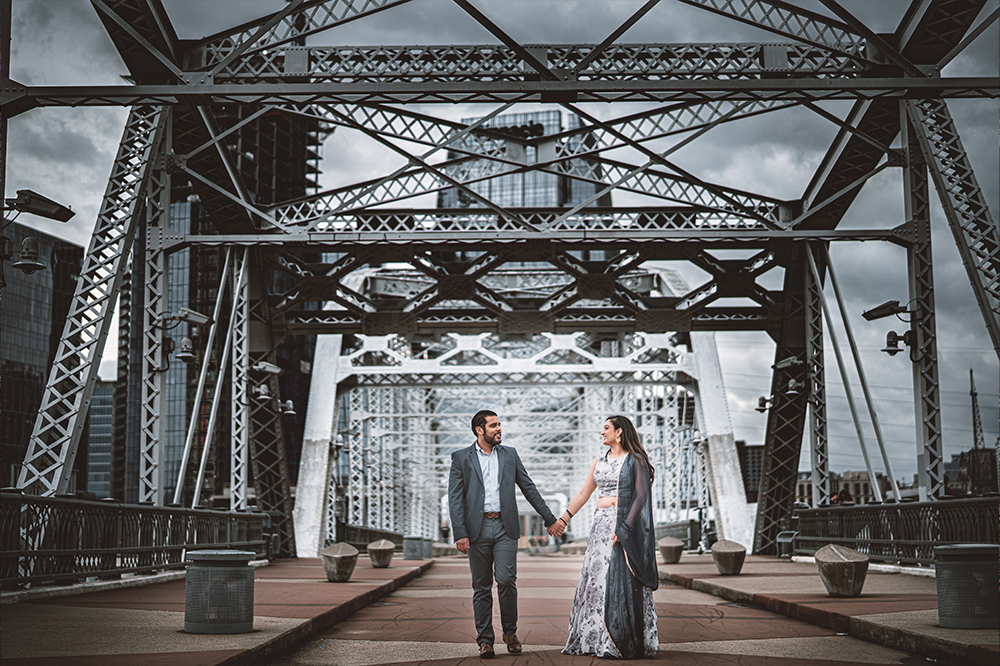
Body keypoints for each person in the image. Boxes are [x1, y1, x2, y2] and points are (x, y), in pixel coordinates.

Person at [448, 410, 562, 659]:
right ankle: (485, 640)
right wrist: (460, 532)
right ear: (480, 430)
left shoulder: (510, 454)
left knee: (507, 580)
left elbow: (528, 487)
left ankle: (510, 633)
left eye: (499, 425)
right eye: (493, 426)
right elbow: (455, 498)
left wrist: (550, 519)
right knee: (481, 587)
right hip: (475, 531)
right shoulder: (461, 458)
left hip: (504, 527)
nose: (499, 429)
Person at [555, 415, 659, 659]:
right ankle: (594, 639)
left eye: (606, 428)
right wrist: (564, 519)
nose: (602, 433)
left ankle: (620, 638)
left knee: (619, 580)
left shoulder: (636, 460)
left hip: (623, 525)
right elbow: (584, 493)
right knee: (597, 580)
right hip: (600, 525)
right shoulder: (598, 461)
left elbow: (641, 496)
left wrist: (624, 529)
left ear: (619, 432)